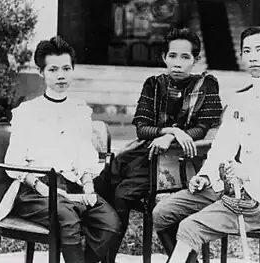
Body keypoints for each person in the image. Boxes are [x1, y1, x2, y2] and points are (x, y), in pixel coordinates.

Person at [153, 26, 260, 263]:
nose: (252, 56)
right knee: (162, 213)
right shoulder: (240, 98)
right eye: (247, 51)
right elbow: (223, 146)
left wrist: (251, 172)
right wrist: (205, 176)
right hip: (230, 187)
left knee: (189, 227)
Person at [0, 36, 121, 263]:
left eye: (66, 68)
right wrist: (43, 188)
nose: (61, 75)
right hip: (35, 190)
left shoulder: (79, 110)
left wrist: (88, 186)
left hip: (74, 185)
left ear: (73, 70)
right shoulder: (26, 112)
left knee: (111, 224)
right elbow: (16, 160)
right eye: (53, 69)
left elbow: (85, 155)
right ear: (41, 72)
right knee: (68, 219)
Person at [93, 28, 223, 262]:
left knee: (122, 193)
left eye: (185, 57)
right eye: (172, 56)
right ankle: (102, 253)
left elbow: (203, 128)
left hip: (181, 163)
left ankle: (107, 255)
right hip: (146, 156)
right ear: (164, 57)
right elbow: (142, 128)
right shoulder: (154, 84)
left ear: (195, 60)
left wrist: (173, 139)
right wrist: (170, 130)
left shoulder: (206, 86)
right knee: (108, 182)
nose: (178, 63)